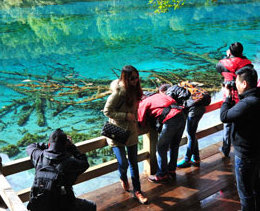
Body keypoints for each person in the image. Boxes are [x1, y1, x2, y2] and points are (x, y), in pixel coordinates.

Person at [220, 66, 260, 211]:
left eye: (237, 81)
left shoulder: (247, 104)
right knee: (255, 184)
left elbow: (224, 116)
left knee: (245, 192)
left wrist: (227, 97)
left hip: (245, 153)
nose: (235, 84)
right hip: (257, 149)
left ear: (244, 84)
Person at [103, 65, 148, 204]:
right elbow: (107, 111)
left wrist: (137, 120)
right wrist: (125, 116)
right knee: (123, 163)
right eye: (132, 78)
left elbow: (136, 109)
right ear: (125, 78)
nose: (135, 80)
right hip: (118, 133)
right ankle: (123, 177)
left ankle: (138, 191)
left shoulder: (135, 91)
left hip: (132, 132)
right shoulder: (118, 93)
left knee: (134, 163)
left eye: (136, 77)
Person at [26, 129, 96, 211]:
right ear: (66, 144)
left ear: (49, 144)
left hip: (40, 204)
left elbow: (30, 146)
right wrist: (72, 146)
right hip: (63, 206)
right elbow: (84, 163)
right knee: (92, 206)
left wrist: (50, 146)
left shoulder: (39, 156)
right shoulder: (70, 162)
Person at [138, 84, 186, 183]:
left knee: (161, 148)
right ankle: (171, 169)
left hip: (171, 120)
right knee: (174, 145)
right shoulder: (160, 95)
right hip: (181, 115)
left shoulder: (144, 102)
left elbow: (141, 121)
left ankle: (162, 174)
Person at [216, 42, 253, 157]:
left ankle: (226, 148)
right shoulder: (247, 64)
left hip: (228, 95)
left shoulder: (222, 63)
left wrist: (228, 57)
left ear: (230, 52)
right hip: (243, 96)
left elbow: (219, 69)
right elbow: (249, 71)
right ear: (241, 52)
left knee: (227, 124)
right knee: (243, 123)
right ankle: (242, 147)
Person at [164, 81, 210, 168]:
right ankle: (196, 157)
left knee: (190, 134)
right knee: (191, 133)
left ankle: (187, 159)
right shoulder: (178, 87)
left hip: (194, 110)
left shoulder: (169, 92)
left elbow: (171, 106)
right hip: (200, 107)